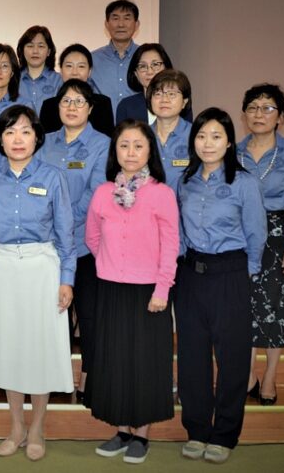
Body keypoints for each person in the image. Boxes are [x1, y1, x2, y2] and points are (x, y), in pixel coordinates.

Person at [0, 105, 76, 461]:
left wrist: (67, 280)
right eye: (10, 132)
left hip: (42, 269)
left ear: (36, 136)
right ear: (0, 139)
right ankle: (16, 426)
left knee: (40, 351)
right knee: (11, 350)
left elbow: (66, 236)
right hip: (3, 269)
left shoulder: (53, 177)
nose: (18, 139)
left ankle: (37, 428)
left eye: (25, 131)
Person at [84, 120, 179, 464]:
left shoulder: (162, 194)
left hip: (148, 292)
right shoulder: (102, 193)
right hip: (110, 288)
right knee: (115, 360)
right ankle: (122, 429)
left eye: (138, 146)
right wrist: (111, 263)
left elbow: (171, 245)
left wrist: (162, 287)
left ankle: (142, 435)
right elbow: (92, 238)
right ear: (115, 151)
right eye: (124, 145)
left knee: (146, 362)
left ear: (150, 151)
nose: (131, 153)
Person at [175, 107, 267, 464]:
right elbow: (181, 233)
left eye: (216, 136)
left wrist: (247, 274)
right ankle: (197, 429)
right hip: (192, 275)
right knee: (193, 358)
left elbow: (256, 233)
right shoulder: (185, 181)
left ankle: (225, 433)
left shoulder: (243, 183)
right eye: (201, 136)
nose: (207, 143)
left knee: (231, 358)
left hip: (230, 273)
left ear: (229, 141)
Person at [238, 84, 284, 406]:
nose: (259, 114)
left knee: (277, 311)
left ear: (280, 117)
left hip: (280, 236)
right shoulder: (233, 151)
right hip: (241, 238)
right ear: (244, 115)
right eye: (253, 107)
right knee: (244, 309)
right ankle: (247, 375)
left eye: (267, 108)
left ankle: (269, 376)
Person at [39, 79, 110, 400]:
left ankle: (90, 377)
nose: (71, 107)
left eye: (79, 102)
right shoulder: (45, 142)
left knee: (90, 316)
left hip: (85, 245)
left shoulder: (102, 144)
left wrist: (62, 220)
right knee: (54, 315)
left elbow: (97, 194)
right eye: (66, 101)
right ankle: (55, 375)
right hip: (48, 245)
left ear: (91, 108)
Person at [39, 44, 114, 137]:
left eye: (81, 66)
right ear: (61, 70)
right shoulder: (49, 106)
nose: (75, 72)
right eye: (69, 66)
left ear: (89, 71)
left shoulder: (102, 104)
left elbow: (107, 143)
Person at [116, 43, 193, 125]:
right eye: (142, 66)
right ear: (136, 73)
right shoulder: (126, 106)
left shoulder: (178, 102)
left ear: (166, 68)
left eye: (155, 64)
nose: (149, 71)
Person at [91, 0, 141, 118]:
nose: (121, 24)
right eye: (115, 18)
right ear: (107, 24)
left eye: (127, 18)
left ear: (137, 24)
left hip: (138, 129)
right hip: (102, 131)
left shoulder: (145, 57)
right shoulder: (92, 59)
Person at [147, 69, 193, 191]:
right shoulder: (141, 136)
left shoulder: (196, 136)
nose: (164, 100)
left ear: (184, 102)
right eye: (158, 94)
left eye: (172, 94)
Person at [16, 26, 62, 114]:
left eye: (41, 46)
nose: (35, 51)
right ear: (22, 50)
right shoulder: (13, 79)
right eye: (30, 46)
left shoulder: (59, 81)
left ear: (49, 51)